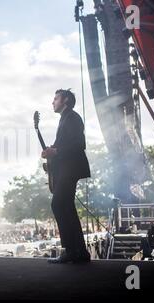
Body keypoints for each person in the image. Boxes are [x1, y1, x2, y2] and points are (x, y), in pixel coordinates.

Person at [41, 88, 91, 263]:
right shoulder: (66, 118)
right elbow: (64, 145)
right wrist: (51, 153)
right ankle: (79, 252)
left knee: (58, 204)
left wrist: (55, 151)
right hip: (68, 169)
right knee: (66, 207)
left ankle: (71, 250)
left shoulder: (72, 117)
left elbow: (79, 144)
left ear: (66, 100)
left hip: (71, 169)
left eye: (56, 98)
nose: (53, 102)